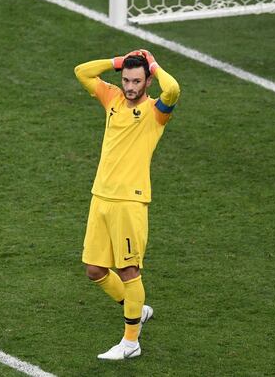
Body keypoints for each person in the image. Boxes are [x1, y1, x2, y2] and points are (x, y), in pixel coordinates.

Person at [74, 49, 180, 360]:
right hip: (101, 196)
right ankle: (137, 308)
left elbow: (172, 89)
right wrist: (117, 61)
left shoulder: (155, 112)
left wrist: (154, 64)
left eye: (136, 81)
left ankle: (131, 342)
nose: (130, 86)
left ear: (148, 82)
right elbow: (82, 70)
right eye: (126, 80)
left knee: (128, 269)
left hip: (129, 202)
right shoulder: (113, 99)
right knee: (94, 270)